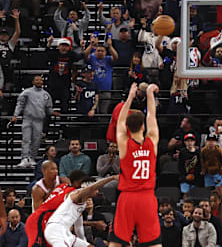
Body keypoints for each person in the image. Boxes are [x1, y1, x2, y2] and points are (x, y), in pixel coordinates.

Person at [108, 83, 161, 247]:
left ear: (127, 129)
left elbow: (120, 122)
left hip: (127, 198)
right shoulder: (152, 141)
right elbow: (152, 115)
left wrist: (130, 97)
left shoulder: (124, 143)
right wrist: (150, 93)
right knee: (154, 243)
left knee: (116, 242)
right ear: (143, 126)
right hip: (147, 197)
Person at [43, 175, 119, 247]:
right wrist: (111, 178)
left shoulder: (82, 204)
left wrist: (84, 243)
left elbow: (78, 227)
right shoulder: (77, 194)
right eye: (96, 189)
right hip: (56, 229)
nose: (97, 191)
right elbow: (91, 188)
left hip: (65, 232)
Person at [25, 170, 85, 247]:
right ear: (77, 182)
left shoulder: (61, 186)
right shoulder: (74, 194)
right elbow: (78, 226)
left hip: (45, 220)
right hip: (40, 219)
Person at [12, 75, 54, 168]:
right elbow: (20, 104)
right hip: (28, 119)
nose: (39, 81)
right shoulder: (26, 92)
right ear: (33, 82)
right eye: (37, 80)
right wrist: (16, 115)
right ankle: (24, 158)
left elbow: (49, 108)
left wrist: (53, 113)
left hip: (39, 120)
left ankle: (32, 158)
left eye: (40, 80)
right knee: (26, 139)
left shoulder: (46, 94)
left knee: (37, 140)